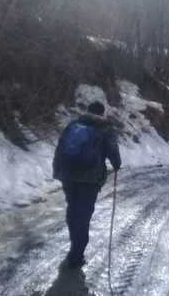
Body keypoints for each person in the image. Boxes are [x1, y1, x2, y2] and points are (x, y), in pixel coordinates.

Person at [53, 101, 121, 269]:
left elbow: (60, 148)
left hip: (69, 175)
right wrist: (116, 164)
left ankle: (74, 245)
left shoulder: (74, 125)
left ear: (88, 111)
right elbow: (114, 153)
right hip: (90, 179)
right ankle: (76, 255)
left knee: (72, 209)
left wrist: (58, 171)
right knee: (83, 215)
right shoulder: (106, 128)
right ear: (102, 113)